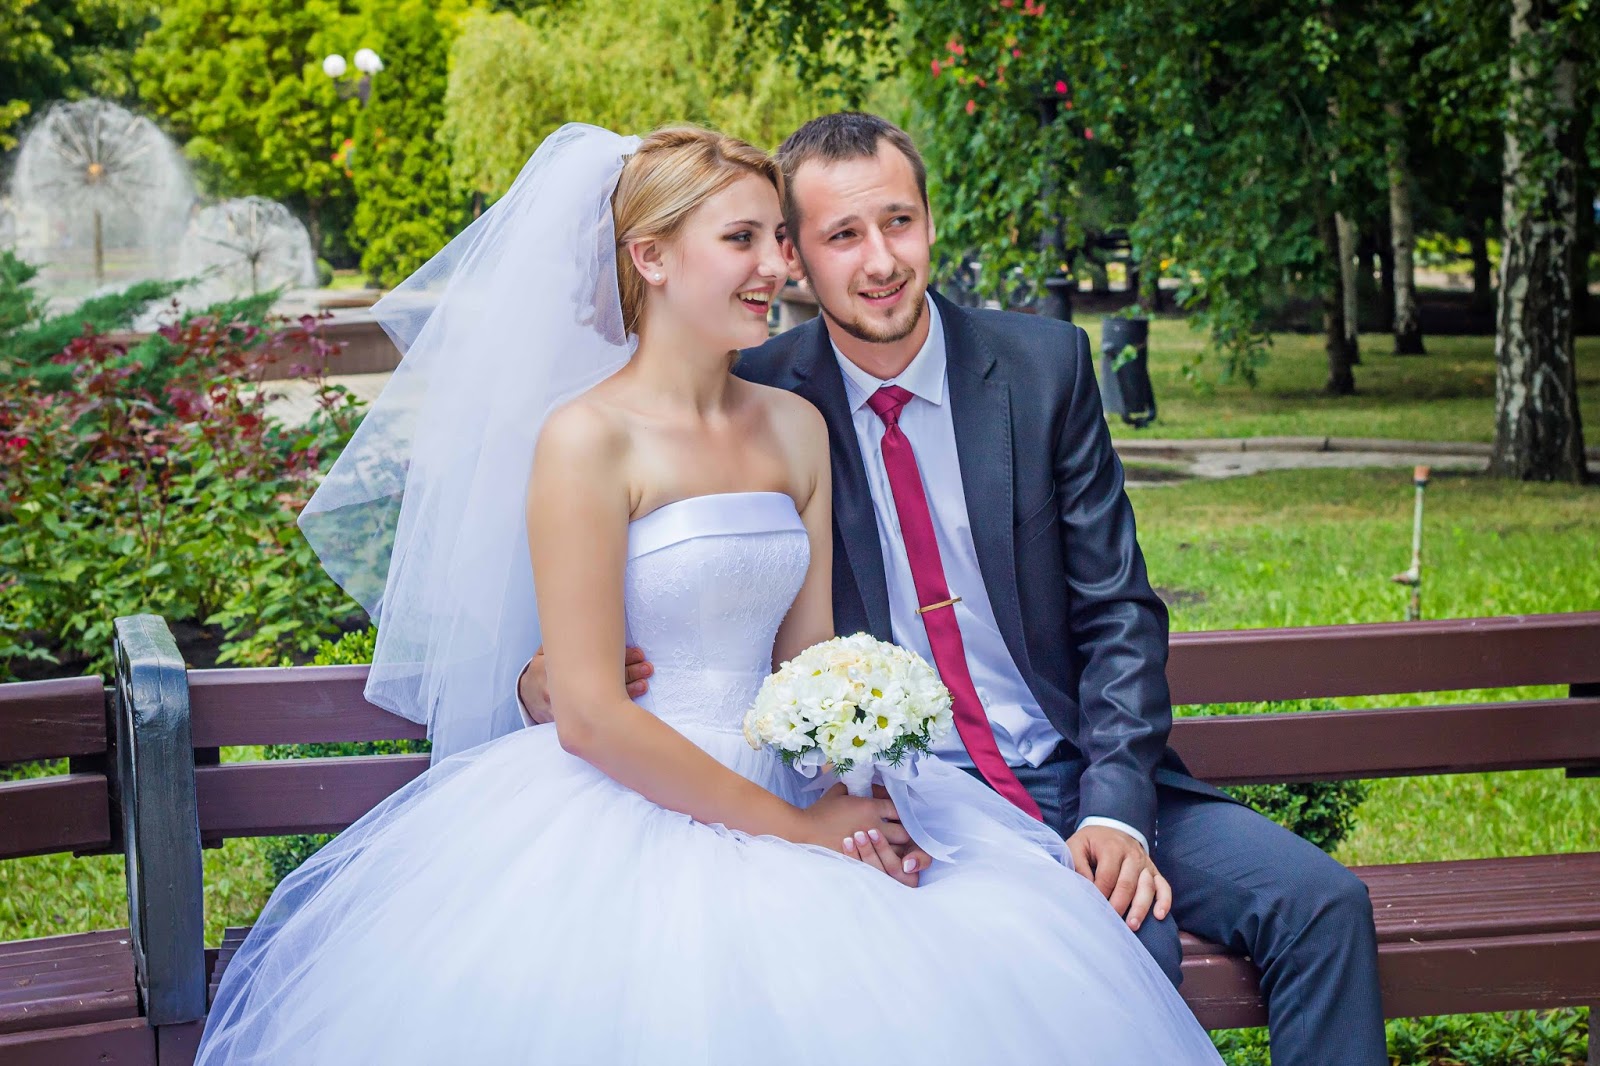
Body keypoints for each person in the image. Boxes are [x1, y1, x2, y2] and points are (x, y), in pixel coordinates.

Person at [193, 123, 1223, 1064]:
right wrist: (795, 831)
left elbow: (808, 663)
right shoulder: (585, 440)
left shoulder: (793, 427)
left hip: (789, 779)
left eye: (777, 238)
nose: (778, 265)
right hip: (631, 802)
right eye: (744, 240)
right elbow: (591, 715)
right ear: (651, 257)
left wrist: (845, 784)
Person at [520, 113, 1388, 1066]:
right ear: (800, 256)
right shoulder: (764, 392)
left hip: (1077, 767)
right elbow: (674, 580)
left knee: (1324, 907)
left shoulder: (1041, 370)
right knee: (1111, 953)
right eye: (840, 235)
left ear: (930, 221)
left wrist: (1114, 808)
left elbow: (1119, 611)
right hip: (920, 788)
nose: (881, 260)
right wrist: (549, 671)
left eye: (900, 221)